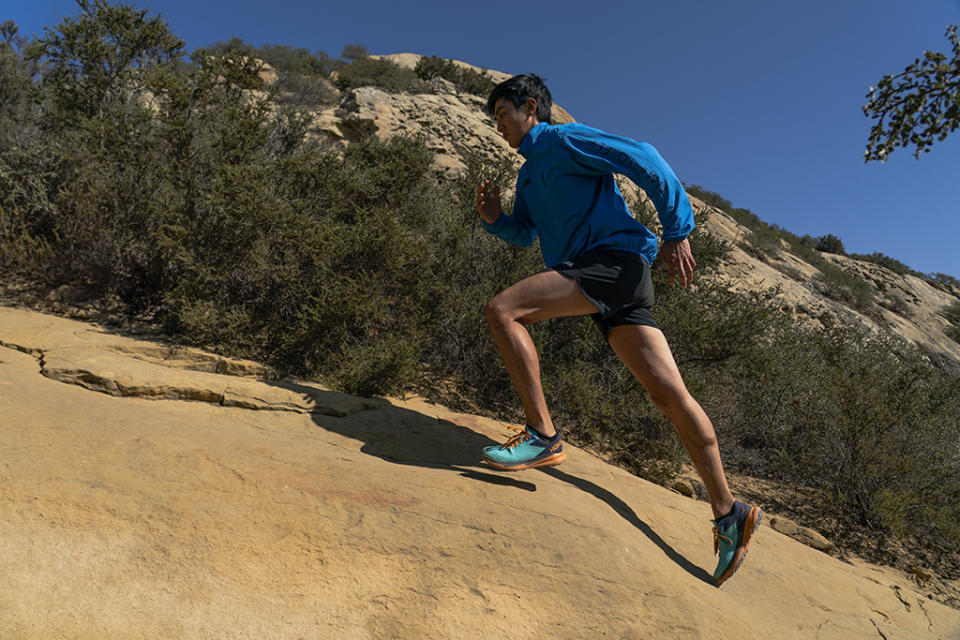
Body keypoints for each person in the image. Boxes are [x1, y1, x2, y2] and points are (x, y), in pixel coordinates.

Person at [475, 73, 761, 585]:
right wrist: (497, 219)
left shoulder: (563, 140)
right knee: (670, 396)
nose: (498, 125)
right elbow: (526, 233)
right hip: (611, 281)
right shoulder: (529, 177)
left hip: (609, 265)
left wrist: (677, 229)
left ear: (531, 106)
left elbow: (643, 156)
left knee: (504, 311)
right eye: (493, 118)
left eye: (502, 113)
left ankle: (543, 435)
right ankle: (729, 512)